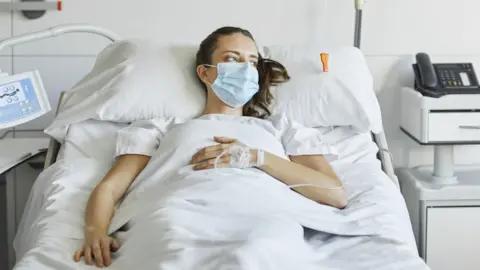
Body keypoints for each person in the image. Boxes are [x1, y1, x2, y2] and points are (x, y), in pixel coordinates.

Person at [73, 26, 347, 268]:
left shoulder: (281, 128)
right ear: (205, 72)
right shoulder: (162, 128)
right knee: (171, 246)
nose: (244, 69)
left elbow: (335, 195)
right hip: (178, 211)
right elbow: (110, 188)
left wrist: (256, 157)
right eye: (232, 59)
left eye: (252, 62)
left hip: (262, 211)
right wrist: (95, 230)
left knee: (261, 247)